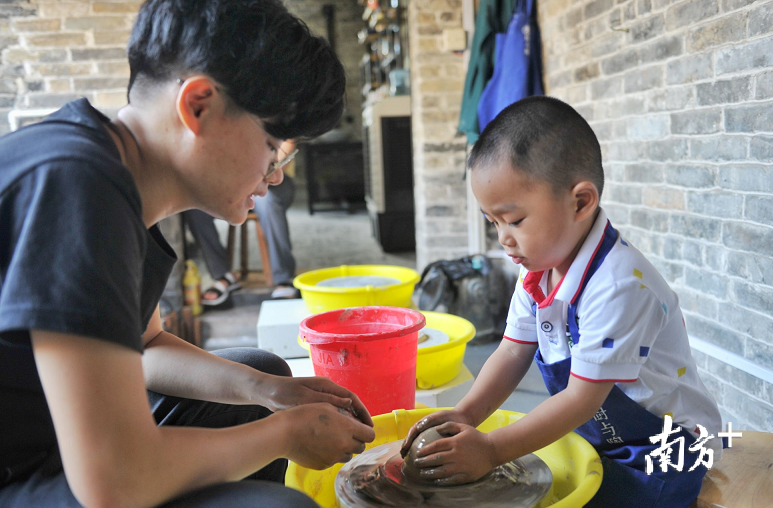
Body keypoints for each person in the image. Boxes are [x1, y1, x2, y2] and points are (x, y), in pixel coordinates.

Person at [0, 1, 376, 507]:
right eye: (271, 146)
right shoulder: (76, 187)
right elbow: (114, 483)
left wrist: (268, 391)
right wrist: (286, 434)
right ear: (199, 105)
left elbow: (148, 347)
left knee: (263, 375)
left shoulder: (110, 169)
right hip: (26, 471)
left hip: (54, 443)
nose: (276, 174)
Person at [400, 96, 722, 508]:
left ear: (580, 202)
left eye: (515, 220)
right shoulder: (538, 269)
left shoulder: (619, 285)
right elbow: (513, 351)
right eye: (492, 222)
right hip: (597, 431)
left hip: (665, 449)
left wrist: (492, 450)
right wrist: (467, 414)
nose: (503, 239)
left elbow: (581, 399)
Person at [183, 139, 299, 306]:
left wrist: (263, 174)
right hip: (231, 181)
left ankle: (284, 278)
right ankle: (223, 275)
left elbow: (289, 142)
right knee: (194, 208)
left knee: (267, 202)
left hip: (271, 180)